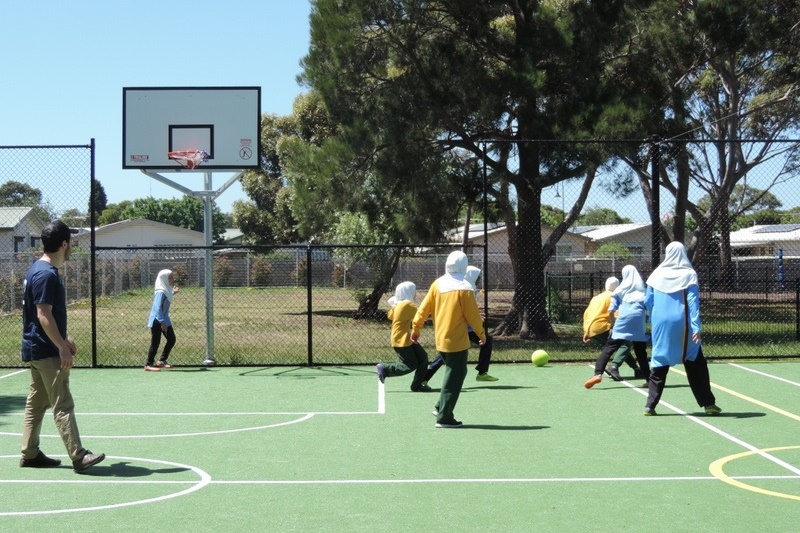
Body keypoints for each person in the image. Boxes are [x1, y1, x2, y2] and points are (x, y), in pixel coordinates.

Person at [19, 220, 105, 473]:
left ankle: (30, 453)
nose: (71, 249)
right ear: (64, 244)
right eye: (71, 244)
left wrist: (63, 339)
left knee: (36, 402)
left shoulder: (37, 269)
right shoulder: (46, 274)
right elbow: (43, 314)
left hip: (36, 347)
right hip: (46, 351)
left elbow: (42, 317)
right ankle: (79, 456)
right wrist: (62, 347)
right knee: (62, 403)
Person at [643, 242, 721, 416]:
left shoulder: (656, 275)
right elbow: (693, 302)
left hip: (660, 323)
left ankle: (650, 406)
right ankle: (708, 404)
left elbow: (648, 300)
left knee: (659, 360)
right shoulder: (688, 274)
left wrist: (654, 317)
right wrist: (696, 327)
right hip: (682, 323)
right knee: (695, 361)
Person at [411, 251, 486, 428]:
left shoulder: (437, 284)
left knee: (452, 373)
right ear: (464, 266)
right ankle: (444, 417)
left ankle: (440, 406)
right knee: (456, 374)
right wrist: (481, 334)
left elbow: (422, 310)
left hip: (441, 339)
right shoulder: (465, 287)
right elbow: (473, 316)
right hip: (457, 341)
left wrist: (416, 329)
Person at [421, 265, 497, 386]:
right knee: (447, 353)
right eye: (477, 277)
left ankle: (425, 377)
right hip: (462, 327)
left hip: (463, 326)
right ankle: (481, 372)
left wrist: (476, 316)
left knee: (446, 353)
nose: (479, 279)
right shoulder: (467, 287)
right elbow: (463, 310)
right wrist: (476, 320)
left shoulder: (467, 286)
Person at [585, 265, 650, 388]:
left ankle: (598, 374)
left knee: (609, 348)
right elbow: (649, 306)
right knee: (640, 351)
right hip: (638, 321)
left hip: (623, 320)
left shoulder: (619, 290)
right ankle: (649, 379)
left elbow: (611, 310)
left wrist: (612, 326)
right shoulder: (643, 290)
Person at [375, 281, 431, 392]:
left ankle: (417, 385)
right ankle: (385, 369)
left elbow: (390, 316)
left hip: (405, 338)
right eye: (414, 291)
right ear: (409, 292)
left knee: (423, 358)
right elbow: (422, 315)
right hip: (402, 340)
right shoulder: (406, 305)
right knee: (410, 365)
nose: (415, 294)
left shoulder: (399, 305)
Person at [145, 269, 179, 371]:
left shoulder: (166, 289)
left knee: (171, 339)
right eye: (170, 277)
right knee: (155, 342)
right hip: (158, 320)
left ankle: (162, 361)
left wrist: (173, 292)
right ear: (164, 278)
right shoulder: (160, 291)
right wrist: (162, 322)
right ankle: (148, 365)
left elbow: (167, 295)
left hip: (164, 319)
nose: (172, 279)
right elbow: (156, 308)